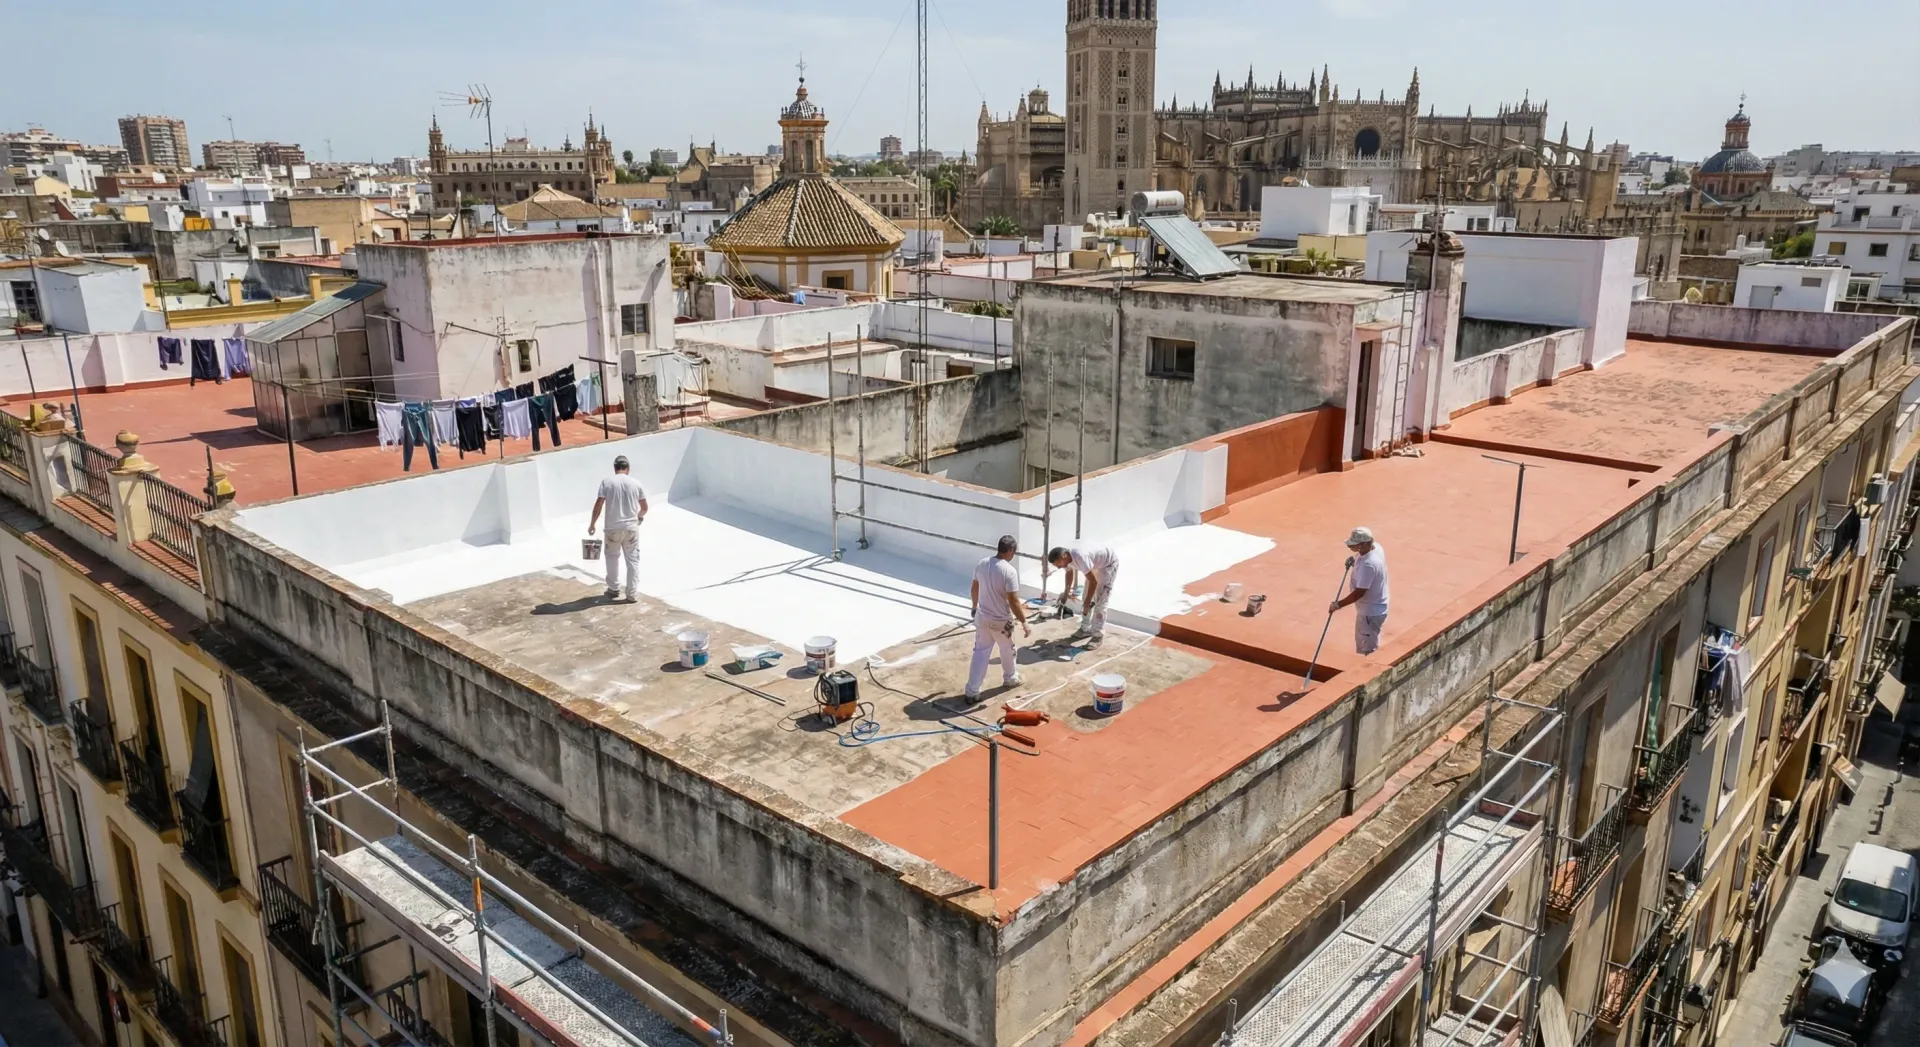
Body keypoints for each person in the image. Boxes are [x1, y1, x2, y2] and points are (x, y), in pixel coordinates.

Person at [967, 535, 1031, 699]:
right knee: (1008, 649)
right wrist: (1024, 622)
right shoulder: (1009, 571)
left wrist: (974, 607)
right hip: (1000, 621)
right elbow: (1013, 600)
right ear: (1011, 551)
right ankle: (1010, 678)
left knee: (980, 652)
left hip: (982, 617)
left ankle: (972, 691)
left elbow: (975, 587)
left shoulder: (982, 563)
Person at [587, 455, 649, 602]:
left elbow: (599, 504)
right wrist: (638, 517)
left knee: (612, 557)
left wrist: (592, 524)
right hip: (631, 527)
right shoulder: (636, 483)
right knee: (632, 560)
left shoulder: (607, 482)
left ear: (615, 468)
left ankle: (614, 588)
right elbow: (644, 508)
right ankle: (632, 593)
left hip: (612, 528)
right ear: (628, 468)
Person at [1330, 526, 1390, 655]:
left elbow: (1359, 593)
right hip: (1373, 608)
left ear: (1363, 545)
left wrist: (1338, 604)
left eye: (1355, 545)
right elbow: (1361, 558)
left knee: (1368, 646)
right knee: (1367, 639)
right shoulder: (1375, 548)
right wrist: (1354, 560)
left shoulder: (1368, 564)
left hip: (1370, 613)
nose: (1351, 547)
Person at [1048, 544, 1119, 648]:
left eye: (1058, 564)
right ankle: (1085, 629)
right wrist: (1066, 594)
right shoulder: (1067, 558)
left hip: (1107, 565)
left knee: (1100, 602)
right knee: (1086, 596)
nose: (1059, 567)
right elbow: (1069, 572)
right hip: (1096, 565)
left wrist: (1087, 603)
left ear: (1063, 556)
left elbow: (1093, 582)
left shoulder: (1080, 557)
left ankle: (1097, 636)